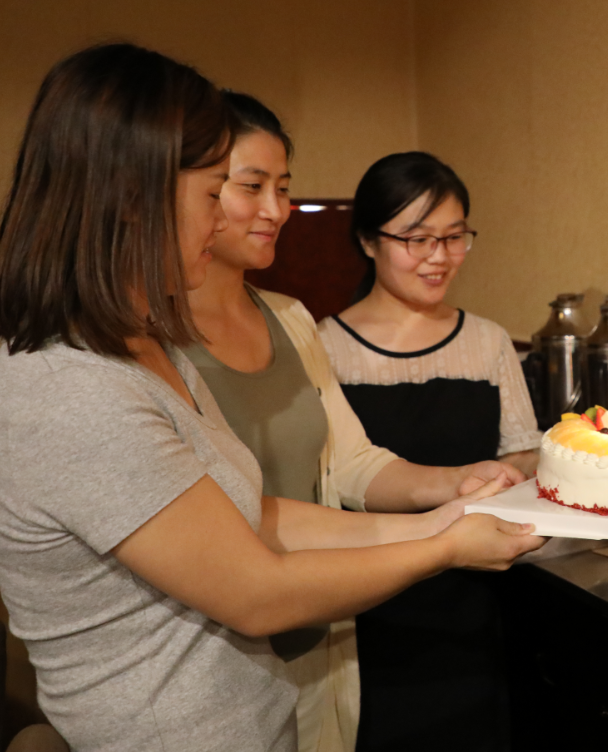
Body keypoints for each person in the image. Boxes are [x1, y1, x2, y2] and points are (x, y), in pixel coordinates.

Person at [0, 43, 544, 752]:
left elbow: (248, 514)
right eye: (215, 193)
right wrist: (443, 549)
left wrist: (444, 517)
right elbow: (255, 592)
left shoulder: (145, 344)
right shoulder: (69, 388)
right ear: (134, 198)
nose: (232, 219)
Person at [184, 93, 528, 752]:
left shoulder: (288, 320)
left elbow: (352, 464)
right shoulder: (141, 341)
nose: (277, 210)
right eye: (251, 186)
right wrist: (440, 539)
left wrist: (455, 486)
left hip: (324, 634)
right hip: (211, 659)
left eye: (284, 188)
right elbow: (233, 524)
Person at [316, 153, 541, 751]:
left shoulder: (488, 341)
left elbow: (522, 454)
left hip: (476, 595)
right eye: (417, 239)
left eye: (454, 237)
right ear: (368, 240)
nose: (439, 257)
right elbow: (330, 482)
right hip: (367, 606)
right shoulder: (323, 346)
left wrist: (531, 468)